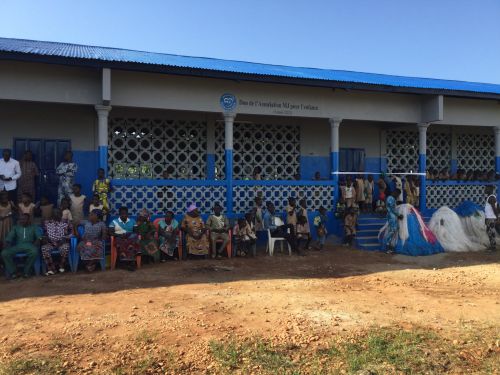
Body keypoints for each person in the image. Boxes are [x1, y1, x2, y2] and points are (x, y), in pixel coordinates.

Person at [2, 213, 41, 279]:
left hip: (30, 245)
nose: (22, 221)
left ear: (29, 220)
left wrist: (36, 243)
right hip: (18, 246)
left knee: (34, 252)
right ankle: (13, 272)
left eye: (24, 219)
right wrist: (6, 243)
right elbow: (9, 237)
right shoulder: (15, 227)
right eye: (20, 219)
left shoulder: (34, 227)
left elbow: (39, 237)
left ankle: (26, 271)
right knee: (4, 253)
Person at [41, 208, 73, 275]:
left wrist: (65, 238)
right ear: (52, 214)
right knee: (44, 248)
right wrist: (45, 238)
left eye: (58, 213)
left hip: (62, 242)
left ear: (61, 214)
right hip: (50, 242)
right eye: (55, 213)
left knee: (66, 247)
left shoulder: (66, 222)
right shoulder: (47, 222)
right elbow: (43, 233)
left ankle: (61, 265)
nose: (57, 215)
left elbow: (72, 233)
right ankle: (52, 269)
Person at [109, 206, 140, 271]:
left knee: (133, 238)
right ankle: (126, 263)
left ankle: (130, 262)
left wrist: (128, 235)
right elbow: (110, 232)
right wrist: (119, 235)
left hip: (130, 237)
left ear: (127, 214)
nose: (124, 215)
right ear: (119, 214)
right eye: (122, 214)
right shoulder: (114, 222)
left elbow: (136, 231)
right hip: (119, 237)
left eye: (125, 214)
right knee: (123, 242)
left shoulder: (132, 221)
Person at [381, 189, 401, 254]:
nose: (398, 196)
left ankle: (389, 247)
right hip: (391, 216)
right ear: (395, 192)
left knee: (394, 230)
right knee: (392, 231)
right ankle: (387, 247)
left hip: (393, 216)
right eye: (398, 194)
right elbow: (392, 208)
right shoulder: (390, 198)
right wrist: (398, 215)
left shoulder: (392, 198)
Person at [484, 185, 498, 252]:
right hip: (489, 217)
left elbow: (494, 208)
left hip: (491, 218)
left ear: (490, 189)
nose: (485, 190)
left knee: (491, 232)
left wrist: (497, 217)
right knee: (489, 231)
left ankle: (493, 247)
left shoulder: (491, 197)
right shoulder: (490, 197)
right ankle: (492, 246)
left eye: (486, 188)